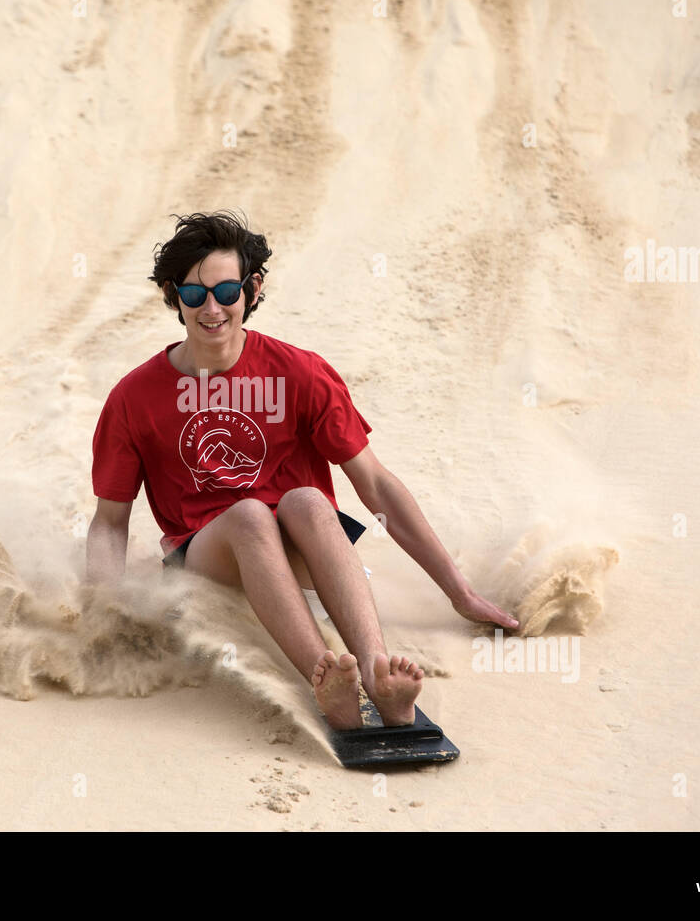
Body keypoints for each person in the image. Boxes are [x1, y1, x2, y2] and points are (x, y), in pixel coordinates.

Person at [86, 210, 517, 730]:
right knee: (248, 515)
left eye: (226, 291)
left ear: (252, 288)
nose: (212, 308)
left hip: (302, 547)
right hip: (210, 558)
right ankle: (326, 681)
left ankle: (379, 676)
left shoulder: (300, 371)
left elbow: (375, 484)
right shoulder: (134, 397)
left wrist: (459, 591)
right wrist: (103, 618)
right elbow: (110, 522)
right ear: (173, 296)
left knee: (308, 499)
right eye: (194, 294)